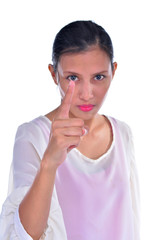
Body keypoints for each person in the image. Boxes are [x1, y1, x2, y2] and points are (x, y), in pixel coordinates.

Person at [0, 20, 140, 240]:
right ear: (54, 74)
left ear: (113, 71)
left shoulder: (122, 134)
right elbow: (26, 234)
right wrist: (49, 162)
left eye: (98, 77)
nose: (86, 93)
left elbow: (130, 223)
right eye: (72, 78)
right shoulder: (32, 136)